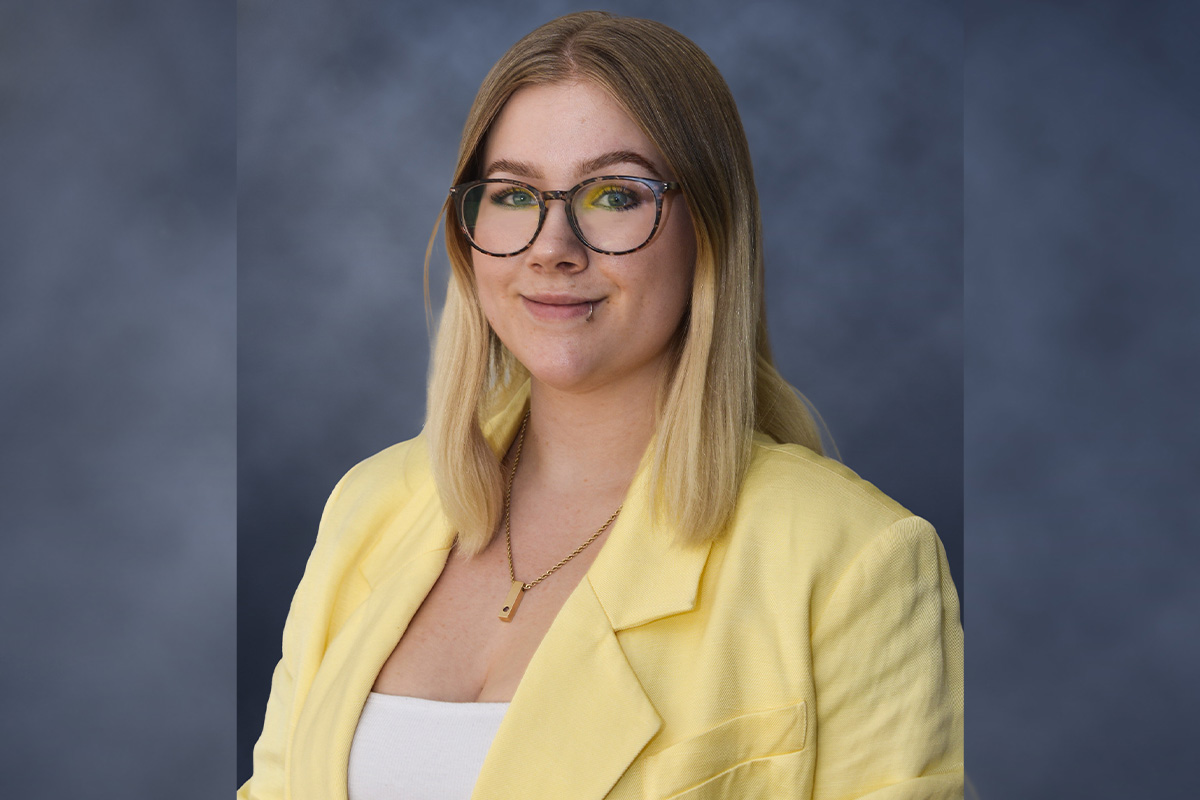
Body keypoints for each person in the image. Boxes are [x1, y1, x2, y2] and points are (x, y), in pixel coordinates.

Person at [239, 11, 963, 800]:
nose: (553, 247)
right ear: (468, 229)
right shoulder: (368, 508)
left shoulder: (854, 558)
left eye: (615, 193)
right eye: (515, 194)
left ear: (711, 231)